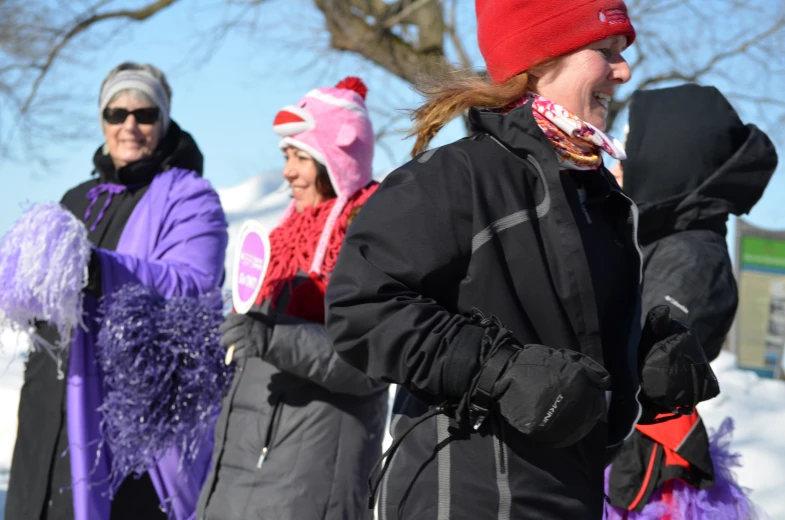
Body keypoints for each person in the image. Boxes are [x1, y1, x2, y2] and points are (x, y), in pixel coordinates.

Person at [325, 1, 719, 519]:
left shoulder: (597, 198)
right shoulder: (462, 175)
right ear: (540, 61)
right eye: (605, 51)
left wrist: (644, 363)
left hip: (566, 498)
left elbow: (564, 349)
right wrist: (498, 371)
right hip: (464, 498)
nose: (623, 70)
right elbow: (360, 306)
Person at [5, 62, 228, 520]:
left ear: (164, 121)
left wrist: (98, 268)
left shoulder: (191, 197)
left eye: (145, 114)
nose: (130, 125)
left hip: (128, 425)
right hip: (48, 407)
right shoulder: (76, 199)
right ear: (102, 120)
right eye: (116, 113)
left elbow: (194, 283)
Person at [197, 77, 389, 520]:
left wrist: (271, 338)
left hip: (310, 477)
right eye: (287, 156)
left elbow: (370, 364)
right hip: (244, 465)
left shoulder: (368, 235)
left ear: (337, 160)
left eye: (301, 157)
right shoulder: (279, 240)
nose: (287, 171)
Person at [605, 84, 777, 518]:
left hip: (644, 483)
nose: (616, 163)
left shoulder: (693, 256)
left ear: (667, 160)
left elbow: (633, 369)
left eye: (630, 149)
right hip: (628, 463)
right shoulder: (664, 239)